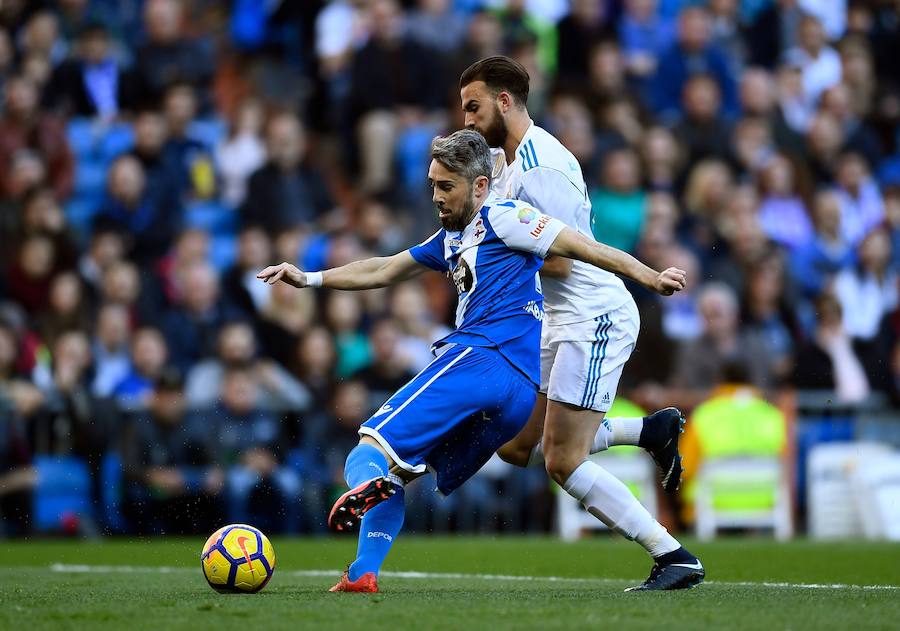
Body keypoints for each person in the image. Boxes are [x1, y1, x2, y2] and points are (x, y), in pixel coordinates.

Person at [257, 129, 688, 593]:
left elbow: (586, 247)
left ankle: (366, 482)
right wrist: (310, 278)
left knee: (368, 450)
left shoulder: (507, 217)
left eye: (447, 186)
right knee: (420, 470)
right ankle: (363, 571)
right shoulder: (450, 238)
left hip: (477, 362)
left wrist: (650, 276)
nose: (437, 197)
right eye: (432, 185)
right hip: (519, 395)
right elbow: (382, 268)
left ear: (480, 186)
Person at [459, 56, 704, 590]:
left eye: (474, 107)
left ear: (505, 101)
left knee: (563, 461)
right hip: (556, 319)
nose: (468, 121)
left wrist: (485, 260)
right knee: (515, 444)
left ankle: (673, 555)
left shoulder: (542, 164)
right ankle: (649, 430)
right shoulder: (506, 162)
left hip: (592, 317)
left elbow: (565, 259)